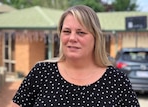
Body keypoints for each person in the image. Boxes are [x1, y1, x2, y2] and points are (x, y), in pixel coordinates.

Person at [12, 5, 140, 107]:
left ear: (96, 37)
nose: (72, 38)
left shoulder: (117, 81)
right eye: (67, 31)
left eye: (81, 32)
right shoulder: (41, 72)